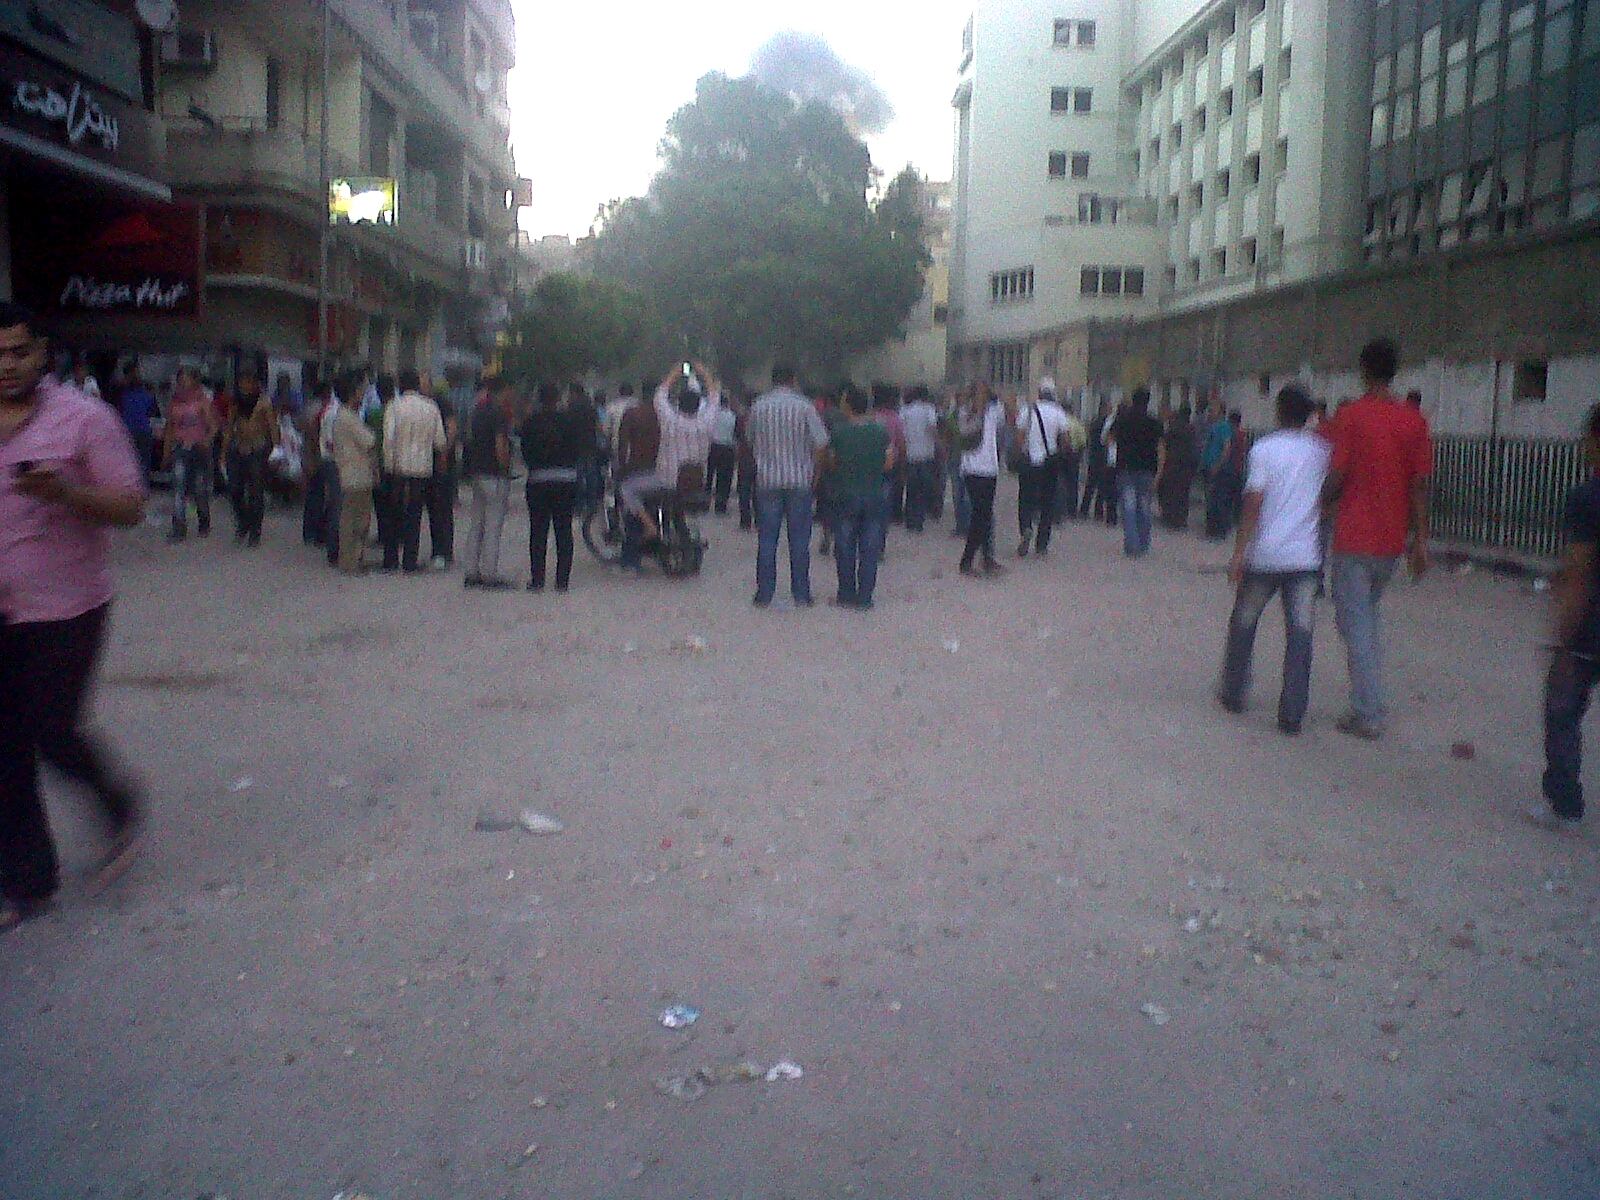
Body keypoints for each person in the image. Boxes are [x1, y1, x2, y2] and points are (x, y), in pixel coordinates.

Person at [0, 303, 146, 929]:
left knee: (52, 731)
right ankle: (28, 883)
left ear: (44, 353)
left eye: (19, 352)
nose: (8, 366)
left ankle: (117, 803)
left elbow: (131, 508)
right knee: (4, 750)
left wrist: (64, 493)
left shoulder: (86, 420)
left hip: (68, 608)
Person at [1322, 337, 1432, 740]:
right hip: (1390, 541)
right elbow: (1420, 485)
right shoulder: (1414, 421)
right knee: (1365, 618)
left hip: (1354, 536)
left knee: (1356, 624)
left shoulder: (1351, 417)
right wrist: (1420, 541)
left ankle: (1368, 712)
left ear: (1363, 371)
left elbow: (1337, 474)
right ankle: (1368, 701)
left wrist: (1319, 502)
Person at [1215, 386, 1331, 735]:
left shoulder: (1264, 449)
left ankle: (1234, 691)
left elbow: (1253, 503)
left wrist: (1239, 553)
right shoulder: (1322, 451)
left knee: (1244, 622)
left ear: (1279, 412)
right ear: (1310, 415)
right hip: (1305, 555)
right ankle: (1292, 712)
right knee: (1300, 633)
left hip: (1266, 554)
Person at [1541, 402, 1600, 826]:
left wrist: (1563, 640)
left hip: (1590, 628)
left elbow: (1579, 574)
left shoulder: (1586, 499)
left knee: (1562, 710)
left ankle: (1565, 805)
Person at [746, 364, 831, 607]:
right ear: (793, 379)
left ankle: (764, 594)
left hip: (767, 481)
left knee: (767, 540)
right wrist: (815, 474)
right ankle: (801, 594)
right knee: (799, 541)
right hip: (799, 481)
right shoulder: (805, 407)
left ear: (773, 381)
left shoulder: (758, 407)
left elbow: (749, 440)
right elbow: (821, 444)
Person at [621, 362, 721, 547]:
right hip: (695, 483)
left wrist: (676, 371)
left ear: (678, 404)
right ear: (699, 404)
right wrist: (703, 371)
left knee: (627, 488)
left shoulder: (670, 421)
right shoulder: (707, 422)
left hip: (666, 481)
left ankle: (650, 526)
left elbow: (660, 394)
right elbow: (714, 395)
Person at [520, 381, 589, 592]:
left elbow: (524, 451)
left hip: (538, 480)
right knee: (563, 531)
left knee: (538, 531)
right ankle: (562, 581)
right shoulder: (570, 422)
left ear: (539, 399)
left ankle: (538, 579)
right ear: (558, 399)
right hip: (566, 480)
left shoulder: (530, 423)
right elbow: (578, 449)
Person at [382, 370, 446, 573]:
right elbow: (440, 441)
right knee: (414, 513)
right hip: (422, 467)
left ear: (400, 385)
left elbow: (388, 439)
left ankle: (391, 558)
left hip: (397, 468)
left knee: (393, 513)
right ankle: (410, 560)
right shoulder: (431, 407)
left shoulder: (393, 406)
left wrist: (388, 465)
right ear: (418, 384)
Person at [461, 377, 516, 589]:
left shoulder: (478, 412)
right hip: (494, 474)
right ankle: (490, 574)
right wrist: (505, 469)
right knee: (493, 525)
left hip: (478, 472)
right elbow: (500, 445)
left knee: (477, 525)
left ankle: (471, 571)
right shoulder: (499, 413)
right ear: (503, 390)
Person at [957, 384, 1014, 577]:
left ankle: (987, 557)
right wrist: (977, 409)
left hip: (990, 469)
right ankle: (967, 560)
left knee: (986, 515)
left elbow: (1009, 422)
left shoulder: (992, 412)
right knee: (980, 516)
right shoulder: (964, 412)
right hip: (973, 470)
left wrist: (1008, 404)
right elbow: (966, 432)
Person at [1014, 382, 1070, 558]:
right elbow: (1066, 440)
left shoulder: (1027, 410)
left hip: (1030, 461)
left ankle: (1026, 528)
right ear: (1053, 393)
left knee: (1025, 499)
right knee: (1048, 503)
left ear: (1039, 393)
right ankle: (1041, 545)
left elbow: (1020, 438)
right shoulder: (1059, 412)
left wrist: (1023, 453)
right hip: (1050, 462)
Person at [328, 376, 377, 574]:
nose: (362, 394)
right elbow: (370, 440)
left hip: (350, 473)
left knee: (351, 519)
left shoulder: (344, 415)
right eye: (358, 391)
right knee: (356, 521)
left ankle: (352, 559)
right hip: (356, 475)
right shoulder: (348, 417)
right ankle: (351, 561)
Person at [162, 365, 216, 541]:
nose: (182, 383)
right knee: (178, 487)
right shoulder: (175, 403)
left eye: (186, 379)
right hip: (180, 448)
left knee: (199, 489)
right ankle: (179, 527)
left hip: (198, 449)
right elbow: (170, 428)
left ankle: (204, 519)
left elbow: (212, 427)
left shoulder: (202, 401)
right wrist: (166, 452)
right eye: (180, 380)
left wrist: (206, 441)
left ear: (194, 380)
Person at [224, 371, 277, 547]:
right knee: (235, 490)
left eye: (248, 382)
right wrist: (224, 452)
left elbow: (272, 427)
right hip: (238, 448)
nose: (245, 387)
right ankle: (243, 521)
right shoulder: (236, 403)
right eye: (242, 383)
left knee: (256, 492)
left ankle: (255, 532)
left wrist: (276, 450)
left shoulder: (264, 403)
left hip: (258, 448)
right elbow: (230, 427)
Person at [613, 377, 662, 571]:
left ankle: (631, 557)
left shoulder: (633, 414)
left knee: (631, 508)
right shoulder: (665, 415)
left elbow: (622, 446)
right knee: (650, 506)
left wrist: (620, 469)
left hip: (637, 470)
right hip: (661, 471)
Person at [1109, 387, 1162, 557]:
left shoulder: (1122, 419)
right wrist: (1159, 473)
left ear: (1133, 400)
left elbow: (1109, 439)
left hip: (1125, 468)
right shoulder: (1155, 422)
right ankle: (1144, 543)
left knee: (1128, 507)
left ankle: (1132, 545)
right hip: (1147, 470)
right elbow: (1161, 449)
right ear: (1148, 401)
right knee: (1144, 507)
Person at [424, 386, 459, 570]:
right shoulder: (429, 404)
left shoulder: (440, 403)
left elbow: (452, 428)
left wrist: (444, 452)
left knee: (441, 507)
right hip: (430, 462)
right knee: (436, 508)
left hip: (441, 462)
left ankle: (443, 550)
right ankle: (441, 550)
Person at [900, 385, 940, 533]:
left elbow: (902, 431)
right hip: (926, 454)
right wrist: (938, 444)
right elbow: (932, 428)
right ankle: (919, 521)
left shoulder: (905, 410)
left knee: (911, 489)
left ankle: (910, 520)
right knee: (923, 490)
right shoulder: (929, 409)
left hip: (910, 454)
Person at [1156, 404, 1200, 531]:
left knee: (1170, 491)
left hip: (1173, 463)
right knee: (1183, 492)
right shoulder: (1191, 429)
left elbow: (1165, 443)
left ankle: (1170, 516)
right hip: (1187, 464)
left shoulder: (1173, 429)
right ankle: (1181, 518)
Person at [1201, 404, 1237, 540]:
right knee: (1210, 499)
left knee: (1219, 500)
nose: (1209, 413)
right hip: (1209, 466)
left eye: (1212, 410)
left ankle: (1219, 530)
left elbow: (1226, 448)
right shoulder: (1212, 427)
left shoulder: (1224, 428)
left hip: (1220, 469)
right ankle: (1211, 529)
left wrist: (1218, 465)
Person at [118, 365, 157, 482]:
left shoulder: (124, 396)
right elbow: (153, 411)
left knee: (129, 459)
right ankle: (143, 483)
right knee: (144, 459)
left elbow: (120, 410)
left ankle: (129, 482)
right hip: (144, 429)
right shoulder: (147, 396)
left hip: (128, 430)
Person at [707, 394, 739, 515]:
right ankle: (721, 506)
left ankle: (705, 503)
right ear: (728, 403)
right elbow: (735, 435)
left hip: (713, 447)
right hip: (727, 449)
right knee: (724, 479)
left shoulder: (712, 416)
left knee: (709, 478)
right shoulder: (732, 416)